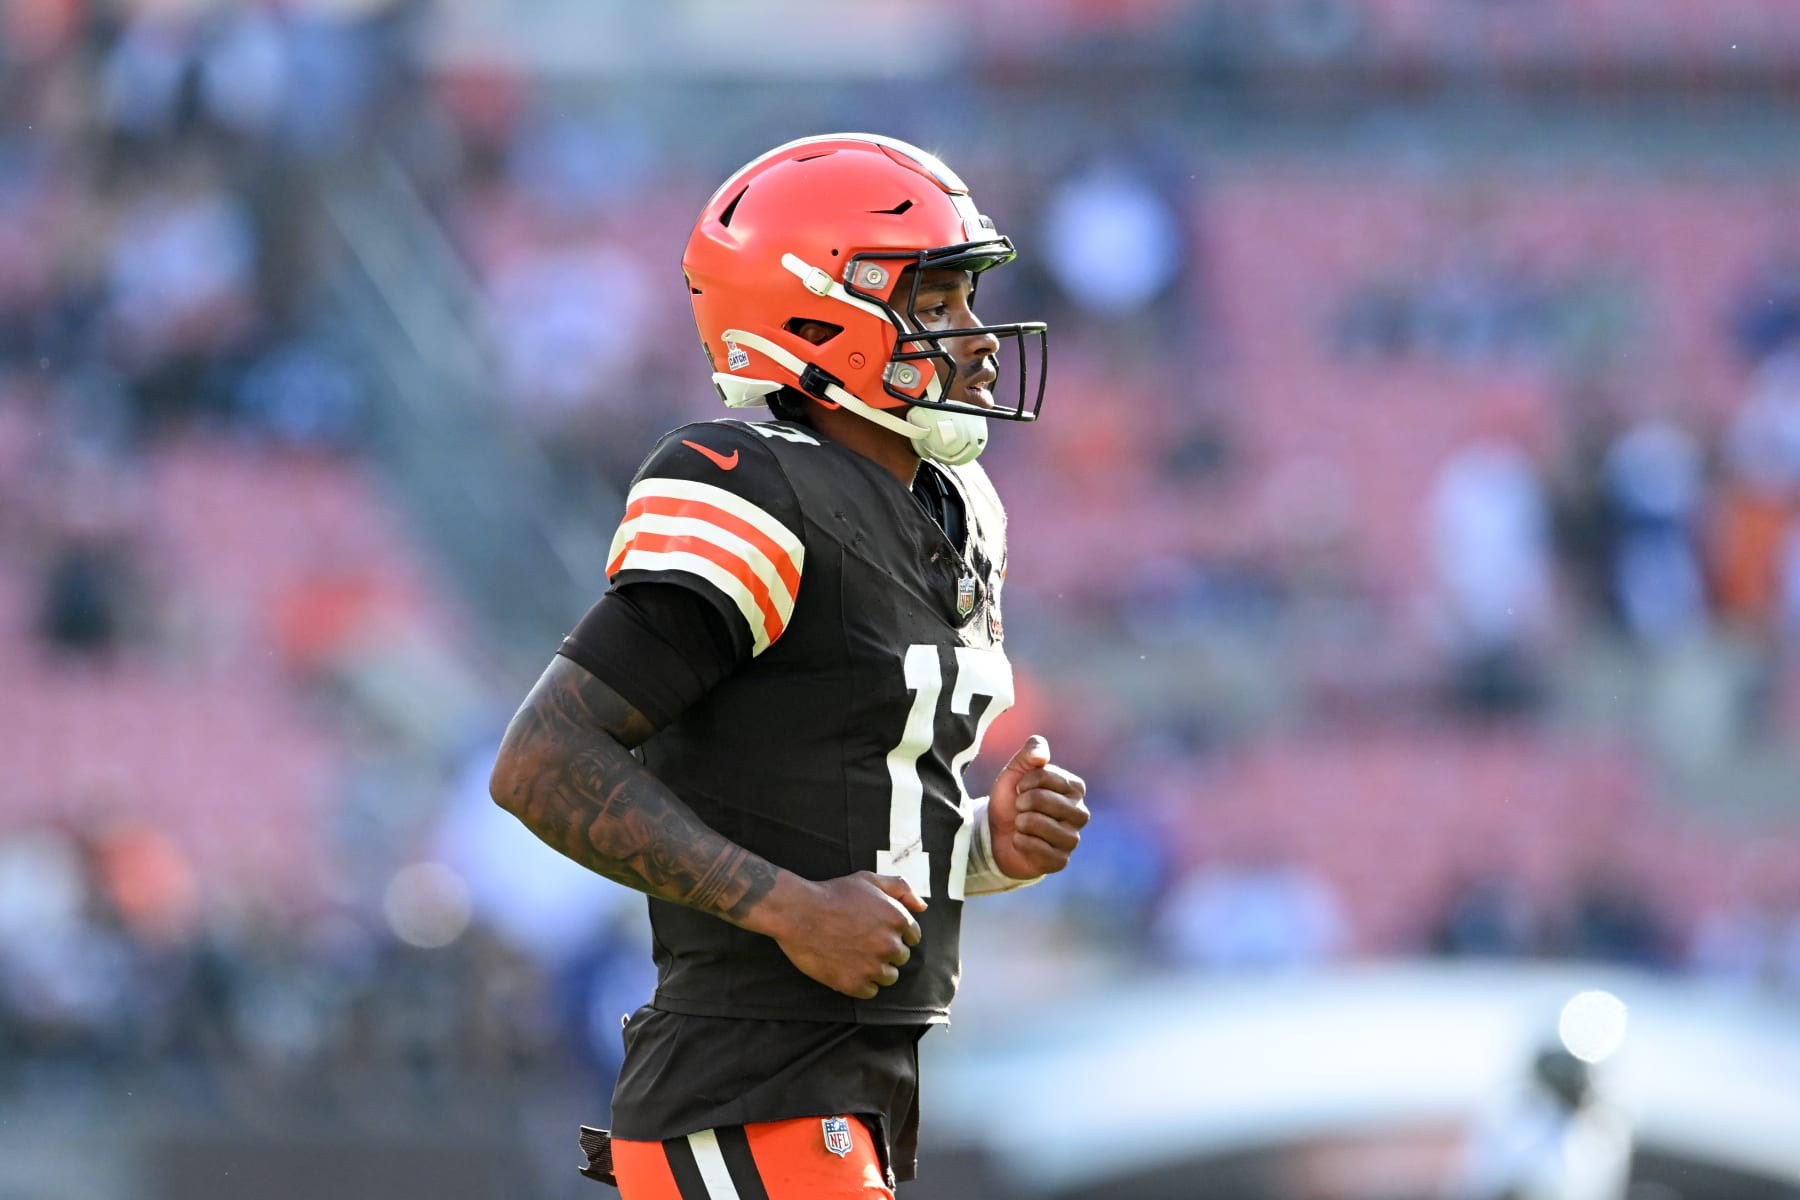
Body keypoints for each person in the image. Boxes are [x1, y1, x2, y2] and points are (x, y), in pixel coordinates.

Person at [489, 133, 1090, 1199]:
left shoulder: (952, 511)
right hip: (748, 1091)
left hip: (846, 1088)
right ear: (816, 314)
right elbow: (542, 760)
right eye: (937, 302)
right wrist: (785, 910)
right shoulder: (752, 485)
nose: (979, 339)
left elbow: (833, 804)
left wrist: (984, 848)